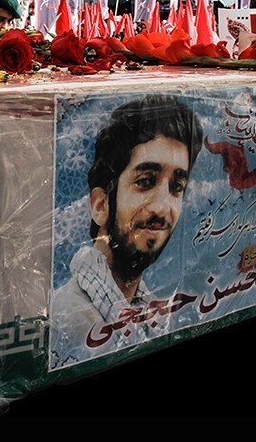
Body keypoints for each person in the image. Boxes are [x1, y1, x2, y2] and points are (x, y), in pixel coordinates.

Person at [50, 94, 203, 364]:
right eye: (145, 181)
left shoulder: (151, 316)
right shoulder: (62, 319)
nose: (162, 207)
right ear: (100, 205)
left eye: (176, 187)